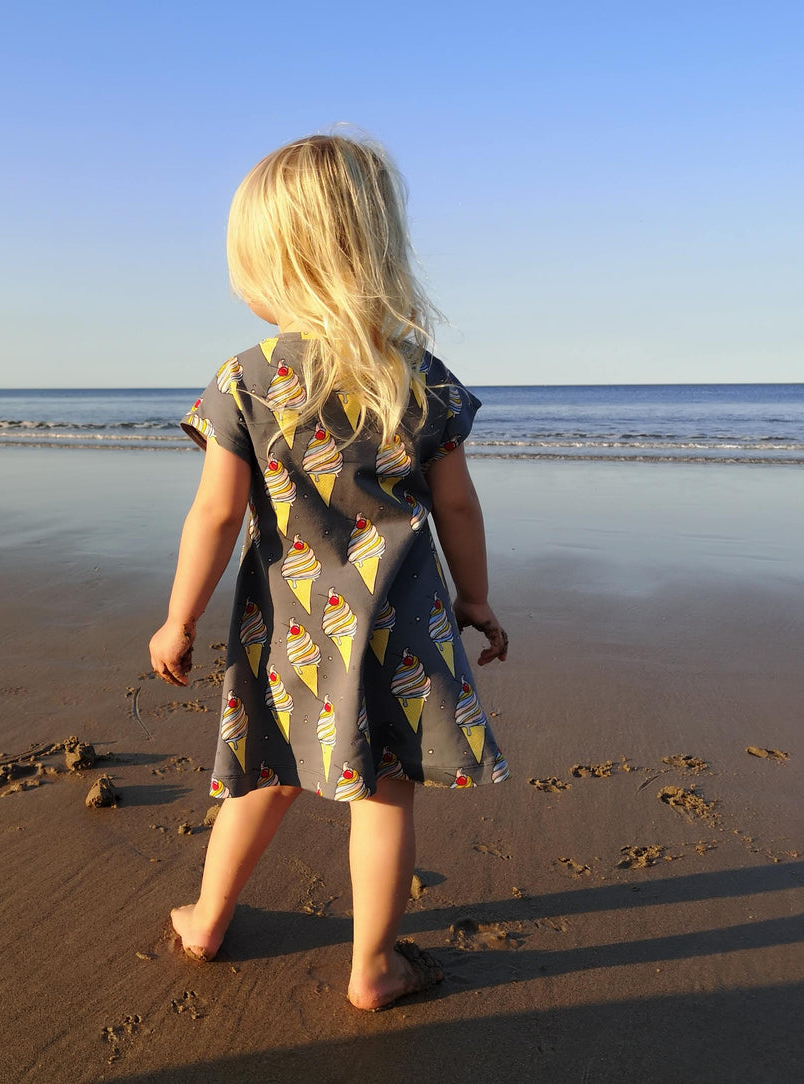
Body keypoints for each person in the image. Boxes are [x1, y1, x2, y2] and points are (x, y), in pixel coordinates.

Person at [149, 132, 511, 1012]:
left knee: (264, 771)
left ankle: (205, 918)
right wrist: (474, 597)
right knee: (384, 795)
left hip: (287, 625)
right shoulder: (415, 375)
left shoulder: (244, 379)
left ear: (274, 264)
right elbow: (457, 508)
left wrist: (178, 617)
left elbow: (216, 514)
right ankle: (372, 968)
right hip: (403, 622)